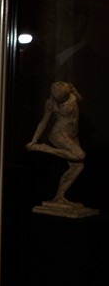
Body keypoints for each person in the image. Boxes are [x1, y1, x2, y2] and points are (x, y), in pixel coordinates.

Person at [26, 81, 89, 209]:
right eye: (58, 98)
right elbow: (44, 122)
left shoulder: (72, 94)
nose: (61, 100)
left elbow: (80, 99)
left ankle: (59, 197)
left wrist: (74, 89)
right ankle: (46, 149)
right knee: (80, 155)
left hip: (72, 134)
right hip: (59, 134)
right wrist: (34, 140)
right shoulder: (51, 103)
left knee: (77, 166)